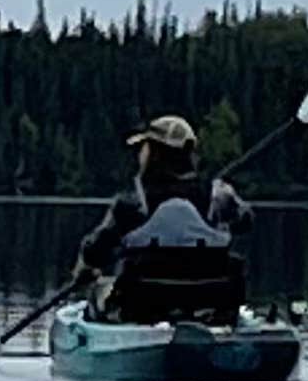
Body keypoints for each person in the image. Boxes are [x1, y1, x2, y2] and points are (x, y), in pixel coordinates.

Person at [73, 115, 254, 320]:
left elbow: (95, 252)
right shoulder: (219, 196)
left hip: (141, 307)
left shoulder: (132, 203)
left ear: (153, 153)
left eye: (144, 147)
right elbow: (245, 221)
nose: (140, 154)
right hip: (210, 301)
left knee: (99, 289)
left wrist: (85, 272)